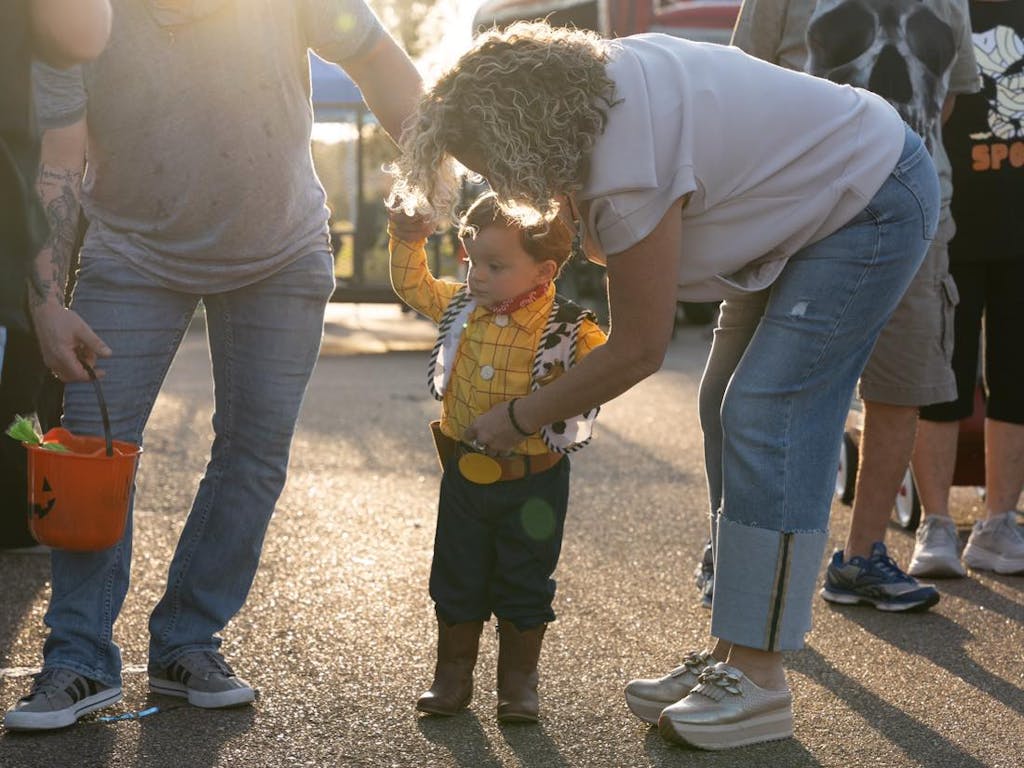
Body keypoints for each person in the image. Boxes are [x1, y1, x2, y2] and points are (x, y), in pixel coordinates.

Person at [388, 21, 939, 749]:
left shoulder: (624, 162)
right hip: (805, 206)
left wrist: (519, 416)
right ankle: (731, 653)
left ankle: (761, 676)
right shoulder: (596, 89)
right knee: (722, 405)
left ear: (525, 130)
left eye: (495, 164)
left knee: (766, 411)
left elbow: (639, 348)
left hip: (871, 196)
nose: (504, 184)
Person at [4, 0, 422, 732]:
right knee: (90, 455)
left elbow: (380, 60)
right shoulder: (81, 17)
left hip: (282, 249)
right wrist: (46, 303)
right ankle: (78, 658)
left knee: (253, 455)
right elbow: (58, 164)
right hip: (131, 251)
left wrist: (423, 178)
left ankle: (187, 641)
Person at [687, 0, 979, 617]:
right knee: (734, 380)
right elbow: (740, 87)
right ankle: (731, 549)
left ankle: (862, 557)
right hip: (788, 211)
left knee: (900, 385)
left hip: (917, 216)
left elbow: (945, 99)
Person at [388, 192, 606, 722]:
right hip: (464, 476)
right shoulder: (463, 306)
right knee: (456, 574)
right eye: (472, 261)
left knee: (526, 579)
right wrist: (408, 238)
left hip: (535, 482)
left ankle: (518, 684)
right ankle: (452, 676)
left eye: (496, 265)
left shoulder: (571, 329)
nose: (477, 276)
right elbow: (413, 284)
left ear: (545, 270)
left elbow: (611, 369)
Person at [910, 0, 1024, 578]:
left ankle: (999, 523)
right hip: (947, 223)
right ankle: (935, 525)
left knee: (1017, 380)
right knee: (939, 378)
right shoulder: (937, 6)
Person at [0, 2, 112, 551]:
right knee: (30, 363)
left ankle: (16, 515)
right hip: (24, 222)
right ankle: (14, 517)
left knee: (33, 364)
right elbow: (85, 32)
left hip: (32, 223)